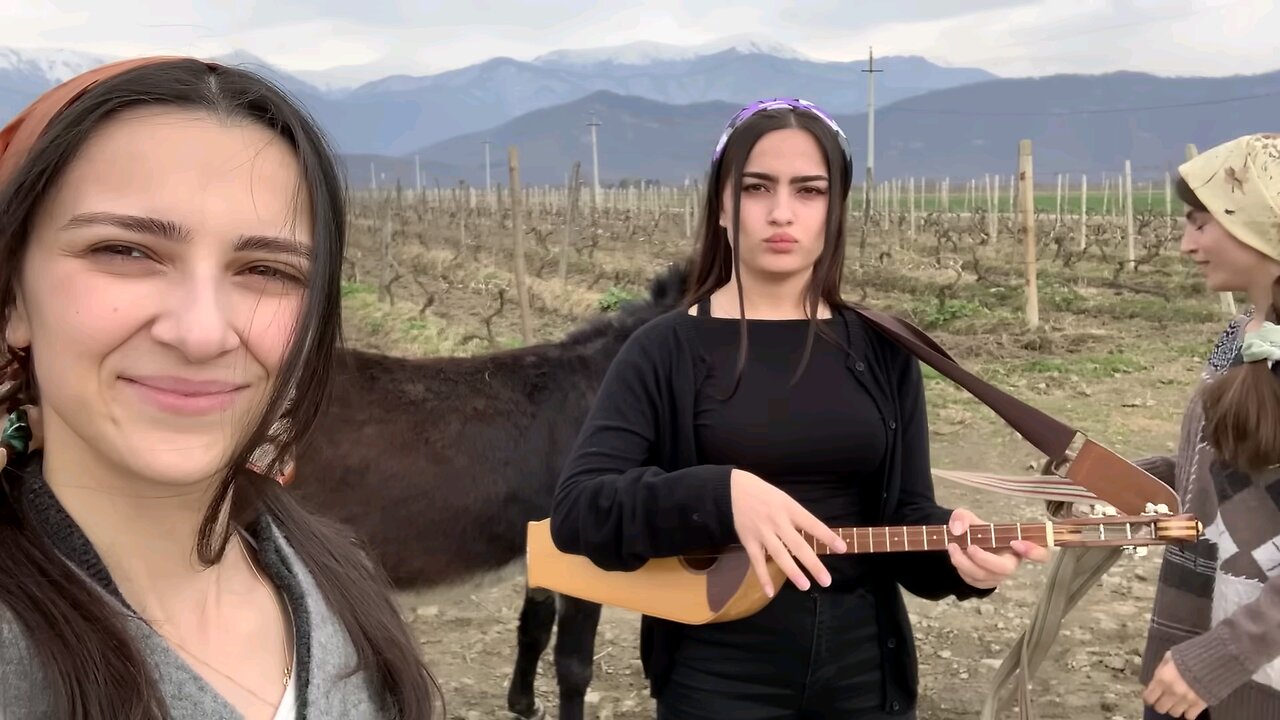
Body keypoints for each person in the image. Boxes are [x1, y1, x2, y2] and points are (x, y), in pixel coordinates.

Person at [548, 98, 1049, 719]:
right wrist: (722, 494)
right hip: (717, 681)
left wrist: (960, 562)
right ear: (724, 206)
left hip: (865, 677)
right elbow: (579, 512)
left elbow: (905, 517)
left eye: (809, 191)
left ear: (834, 211)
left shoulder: (881, 348)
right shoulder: (666, 349)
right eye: (758, 187)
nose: (782, 212)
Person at [0, 57, 443, 719]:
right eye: (125, 251)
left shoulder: (342, 576)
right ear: (13, 299)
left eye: (266, 268)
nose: (202, 333)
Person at [1138, 133, 1280, 720]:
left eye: (1201, 223)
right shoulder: (1239, 339)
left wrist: (1225, 654)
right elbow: (1235, 473)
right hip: (1203, 657)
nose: (1184, 244)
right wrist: (1126, 481)